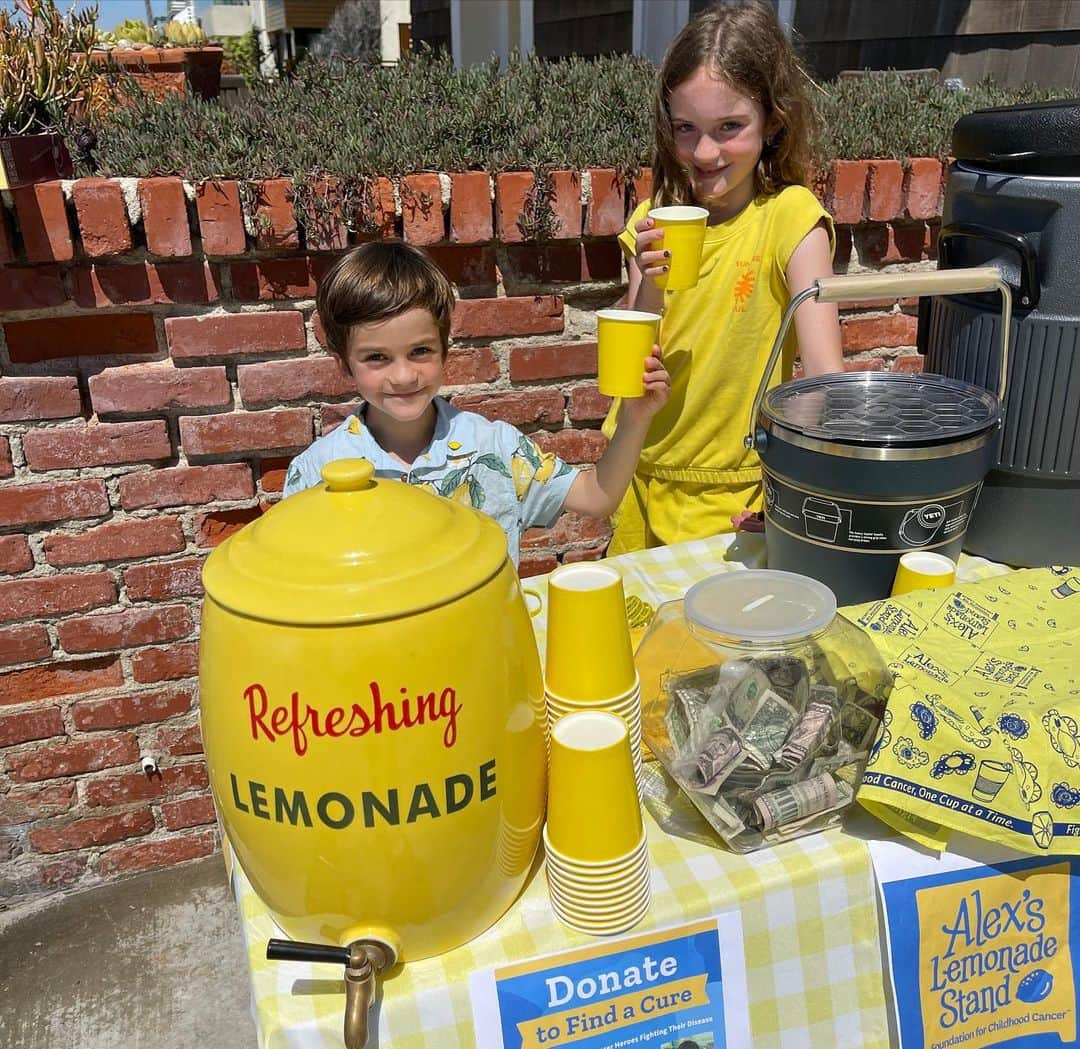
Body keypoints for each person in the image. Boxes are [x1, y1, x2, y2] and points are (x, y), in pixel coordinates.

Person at [604, 0, 843, 554]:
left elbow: (825, 376)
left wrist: (794, 489)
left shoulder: (790, 218)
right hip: (640, 480)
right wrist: (650, 279)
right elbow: (628, 368)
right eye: (685, 128)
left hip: (737, 496)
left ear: (772, 120)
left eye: (729, 127)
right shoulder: (650, 220)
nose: (704, 152)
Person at [283, 239, 670, 564]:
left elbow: (597, 496)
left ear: (445, 349)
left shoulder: (494, 447)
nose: (403, 376)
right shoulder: (316, 471)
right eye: (377, 358)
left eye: (420, 351)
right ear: (344, 365)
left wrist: (636, 418)